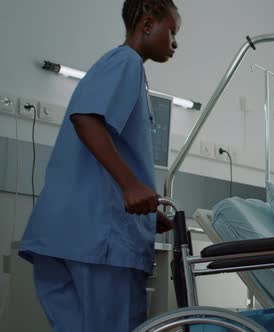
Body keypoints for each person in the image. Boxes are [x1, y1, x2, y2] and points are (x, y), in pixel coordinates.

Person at [18, 1, 180, 330]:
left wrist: (147, 215)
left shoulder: (112, 66)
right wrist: (132, 186)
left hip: (65, 237)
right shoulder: (127, 62)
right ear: (148, 25)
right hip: (100, 245)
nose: (175, 42)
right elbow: (86, 119)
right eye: (172, 31)